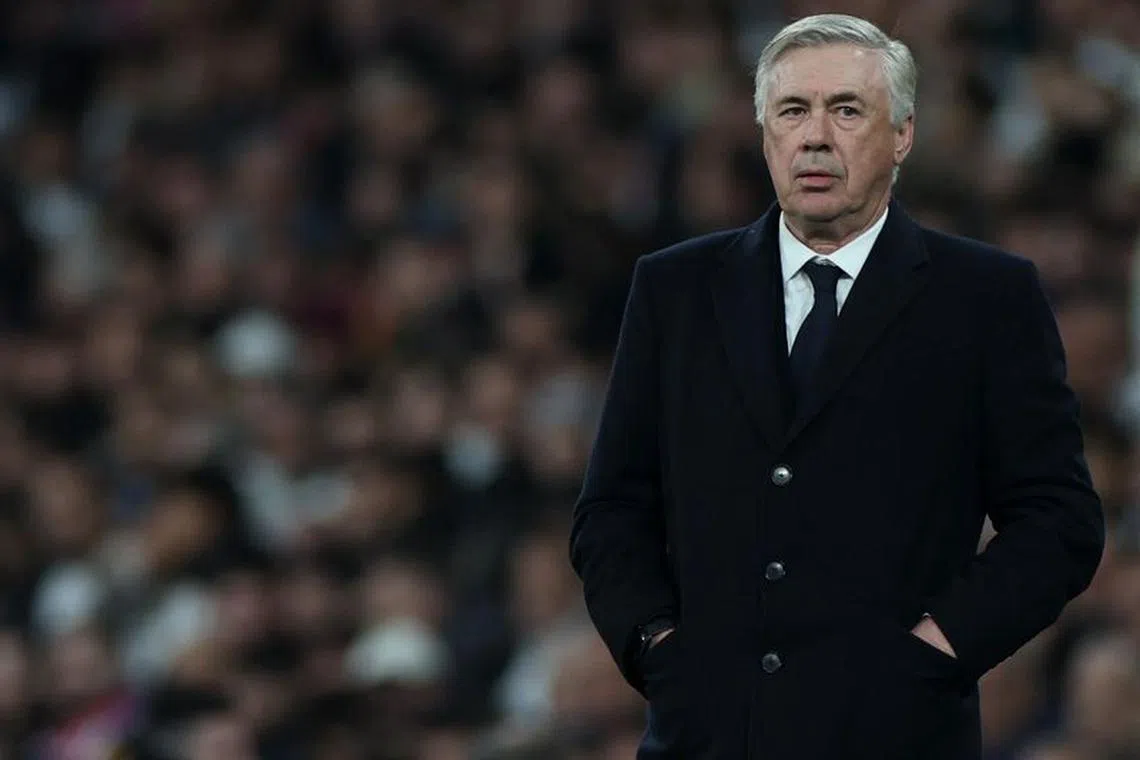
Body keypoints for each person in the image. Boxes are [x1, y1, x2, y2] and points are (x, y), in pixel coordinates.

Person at [568, 13, 1105, 760]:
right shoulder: (676, 289)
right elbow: (613, 508)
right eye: (793, 111)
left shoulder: (985, 297)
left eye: (846, 110)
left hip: (897, 735)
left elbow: (1058, 520)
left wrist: (937, 651)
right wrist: (658, 644)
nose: (815, 136)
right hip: (708, 737)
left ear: (902, 135)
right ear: (765, 136)